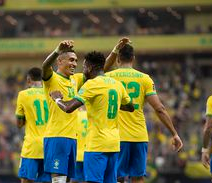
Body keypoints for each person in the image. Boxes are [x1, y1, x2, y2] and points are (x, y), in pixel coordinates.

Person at [104, 39, 183, 183]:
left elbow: (99, 70)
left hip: (116, 136)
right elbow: (159, 109)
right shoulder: (145, 79)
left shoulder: (109, 77)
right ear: (133, 59)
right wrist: (174, 133)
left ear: (118, 59)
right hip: (139, 136)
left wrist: (114, 51)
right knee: (138, 177)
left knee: (117, 177)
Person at [49, 51, 134, 183]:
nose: (82, 71)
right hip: (114, 144)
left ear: (89, 67)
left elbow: (68, 108)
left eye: (83, 67)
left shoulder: (91, 85)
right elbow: (131, 107)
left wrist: (57, 99)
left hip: (96, 144)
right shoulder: (116, 84)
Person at [41, 40, 85, 182]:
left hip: (72, 138)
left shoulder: (76, 80)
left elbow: (98, 70)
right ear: (60, 61)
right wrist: (57, 50)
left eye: (76, 61)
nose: (74, 64)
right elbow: (45, 66)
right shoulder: (51, 79)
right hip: (57, 136)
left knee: (66, 180)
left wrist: (115, 51)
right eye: (71, 60)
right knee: (58, 179)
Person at [15, 67, 51, 183]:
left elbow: (19, 124)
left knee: (26, 179)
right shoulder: (50, 93)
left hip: (32, 146)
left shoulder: (23, 95)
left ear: (28, 79)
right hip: (49, 145)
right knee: (46, 180)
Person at [71, 106, 88, 183]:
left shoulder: (75, 116)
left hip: (76, 155)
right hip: (89, 153)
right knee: (86, 180)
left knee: (74, 180)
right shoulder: (91, 116)